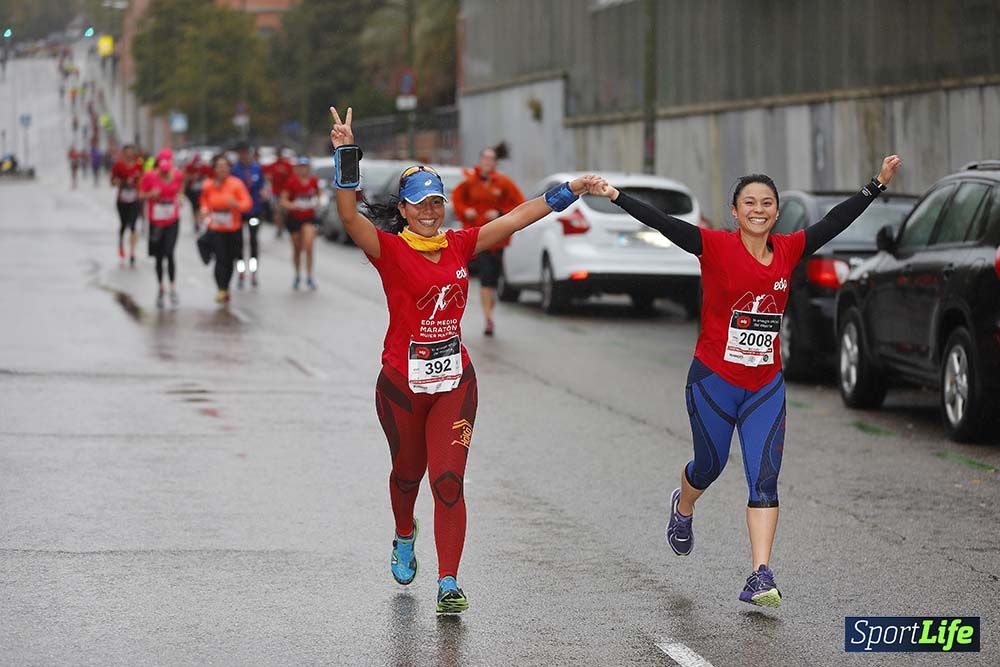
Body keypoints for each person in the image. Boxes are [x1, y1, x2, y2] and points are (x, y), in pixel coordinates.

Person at [590, 155, 903, 608]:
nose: (759, 209)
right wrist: (616, 196)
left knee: (764, 477)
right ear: (734, 212)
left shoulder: (791, 249)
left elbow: (835, 221)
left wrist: (876, 184)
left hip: (765, 386)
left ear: (776, 212)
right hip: (713, 382)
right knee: (709, 467)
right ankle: (684, 504)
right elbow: (662, 222)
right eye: (749, 202)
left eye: (767, 203)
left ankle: (760, 573)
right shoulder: (713, 245)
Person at [330, 105, 603, 614]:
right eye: (419, 205)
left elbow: (518, 217)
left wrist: (572, 188)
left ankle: (449, 581)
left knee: (448, 479)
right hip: (401, 385)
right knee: (407, 475)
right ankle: (403, 532)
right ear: (405, 210)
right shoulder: (387, 250)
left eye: (435, 202)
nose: (429, 211)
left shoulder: (461, 243)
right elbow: (348, 216)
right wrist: (347, 154)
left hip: (454, 382)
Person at [450, 147, 525, 336]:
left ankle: (489, 310)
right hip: (477, 236)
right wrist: (466, 210)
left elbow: (519, 204)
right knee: (484, 278)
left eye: (491, 159)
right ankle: (488, 318)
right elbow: (457, 200)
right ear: (480, 161)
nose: (488, 162)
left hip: (498, 239)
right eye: (485, 158)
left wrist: (499, 213)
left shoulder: (504, 183)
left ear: (495, 163)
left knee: (492, 280)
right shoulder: (469, 182)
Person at [199, 155, 252, 304]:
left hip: (233, 228)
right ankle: (221, 288)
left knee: (231, 259)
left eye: (225, 166)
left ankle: (226, 286)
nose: (222, 169)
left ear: (229, 168)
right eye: (219, 166)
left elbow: (247, 203)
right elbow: (204, 201)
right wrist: (204, 210)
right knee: (220, 259)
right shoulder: (208, 185)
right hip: (216, 227)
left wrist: (235, 204)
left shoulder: (236, 184)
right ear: (214, 169)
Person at [139, 149, 184, 308]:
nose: (165, 174)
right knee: (159, 256)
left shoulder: (177, 175)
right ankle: (160, 287)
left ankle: (172, 287)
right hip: (156, 221)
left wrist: (180, 199)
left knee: (169, 252)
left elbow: (180, 191)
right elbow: (140, 195)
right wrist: (151, 194)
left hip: (172, 219)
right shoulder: (149, 176)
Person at [279, 157, 320, 290]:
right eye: (301, 166)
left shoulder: (313, 181)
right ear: (297, 168)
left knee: (308, 246)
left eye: (305, 166)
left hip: (308, 218)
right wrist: (292, 205)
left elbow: (319, 195)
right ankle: (297, 275)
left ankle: (309, 276)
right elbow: (283, 201)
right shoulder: (291, 182)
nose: (303, 169)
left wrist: (317, 202)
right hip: (294, 219)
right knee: (297, 248)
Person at [231, 142, 265, 288]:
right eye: (242, 153)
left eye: (246, 153)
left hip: (254, 210)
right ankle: (240, 272)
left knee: (253, 241)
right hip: (238, 213)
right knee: (238, 244)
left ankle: (253, 272)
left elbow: (262, 186)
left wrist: (264, 194)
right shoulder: (234, 170)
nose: (244, 156)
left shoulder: (257, 168)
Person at [110, 144, 144, 266]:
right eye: (127, 153)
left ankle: (132, 252)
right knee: (124, 225)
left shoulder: (139, 165)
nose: (130, 155)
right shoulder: (118, 166)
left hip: (134, 199)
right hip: (122, 200)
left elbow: (143, 179)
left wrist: (139, 185)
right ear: (124, 154)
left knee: (133, 225)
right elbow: (112, 182)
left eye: (131, 152)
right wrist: (122, 181)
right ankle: (121, 244)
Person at [265, 147, 295, 238]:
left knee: (284, 211)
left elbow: (292, 176)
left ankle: (283, 225)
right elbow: (267, 175)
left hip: (285, 192)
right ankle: (279, 227)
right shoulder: (273, 165)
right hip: (275, 192)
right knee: (277, 211)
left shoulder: (287, 165)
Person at [184, 153, 212, 233]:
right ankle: (196, 222)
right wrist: (192, 177)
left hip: (203, 191)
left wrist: (204, 178)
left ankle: (201, 222)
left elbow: (210, 176)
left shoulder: (205, 167)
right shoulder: (189, 167)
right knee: (195, 208)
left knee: (202, 207)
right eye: (196, 161)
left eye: (198, 161)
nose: (197, 163)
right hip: (192, 191)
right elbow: (185, 177)